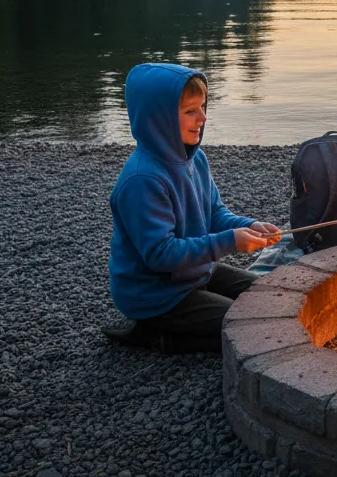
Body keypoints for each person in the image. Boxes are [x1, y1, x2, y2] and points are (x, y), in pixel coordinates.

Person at [103, 63, 281, 353]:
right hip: (157, 295)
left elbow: (214, 213)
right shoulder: (142, 180)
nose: (202, 118)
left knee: (272, 298)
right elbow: (160, 255)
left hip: (194, 273)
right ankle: (155, 335)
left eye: (202, 107)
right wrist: (230, 242)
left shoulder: (195, 160)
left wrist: (248, 226)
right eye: (190, 111)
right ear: (157, 120)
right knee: (249, 326)